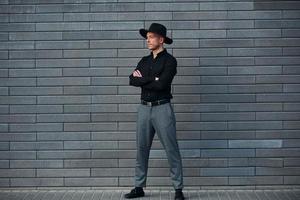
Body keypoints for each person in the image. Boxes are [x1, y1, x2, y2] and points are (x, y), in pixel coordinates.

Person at [124, 23, 185, 200]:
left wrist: (143, 79)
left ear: (161, 39)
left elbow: (162, 84)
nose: (147, 40)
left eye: (151, 37)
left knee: (171, 149)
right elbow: (131, 80)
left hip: (162, 108)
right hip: (144, 108)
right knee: (141, 148)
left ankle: (178, 189)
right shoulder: (144, 61)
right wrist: (152, 78)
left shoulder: (170, 61)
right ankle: (138, 187)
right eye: (147, 37)